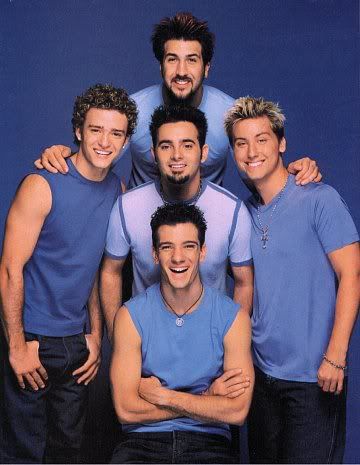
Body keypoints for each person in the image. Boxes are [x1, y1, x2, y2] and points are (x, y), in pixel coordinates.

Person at [0, 84, 138, 463]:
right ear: (79, 130)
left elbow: (96, 269)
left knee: (68, 452)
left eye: (116, 133)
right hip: (30, 338)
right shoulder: (41, 184)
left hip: (75, 343)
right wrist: (15, 346)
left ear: (126, 142)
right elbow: (11, 269)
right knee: (22, 453)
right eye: (96, 130)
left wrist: (95, 336)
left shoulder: (117, 190)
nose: (105, 142)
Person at [34, 12, 321, 188]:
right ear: (160, 65)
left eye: (192, 60)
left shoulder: (230, 115)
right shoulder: (132, 109)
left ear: (206, 67)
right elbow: (96, 156)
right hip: (140, 235)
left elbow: (258, 166)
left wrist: (295, 172)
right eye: (172, 59)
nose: (182, 72)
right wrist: (63, 155)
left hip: (203, 242)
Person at [224, 96, 360, 464]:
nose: (252, 151)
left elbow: (352, 274)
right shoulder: (244, 214)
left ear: (281, 143)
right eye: (241, 143)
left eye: (262, 139)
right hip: (262, 377)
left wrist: (336, 354)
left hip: (314, 378)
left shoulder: (319, 198)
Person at [110, 203, 254, 464]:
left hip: (209, 443)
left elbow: (237, 411)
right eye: (167, 247)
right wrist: (206, 399)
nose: (178, 257)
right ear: (155, 254)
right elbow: (126, 410)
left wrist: (166, 397)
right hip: (143, 443)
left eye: (189, 246)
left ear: (203, 252)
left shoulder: (233, 318)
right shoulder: (130, 316)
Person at [101, 104, 253, 340]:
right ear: (153, 154)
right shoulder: (127, 206)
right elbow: (111, 273)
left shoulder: (232, 210)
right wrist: (118, 340)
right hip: (146, 346)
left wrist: (231, 345)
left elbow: (244, 283)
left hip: (210, 350)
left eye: (187, 145)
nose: (176, 156)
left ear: (203, 153)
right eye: (166, 146)